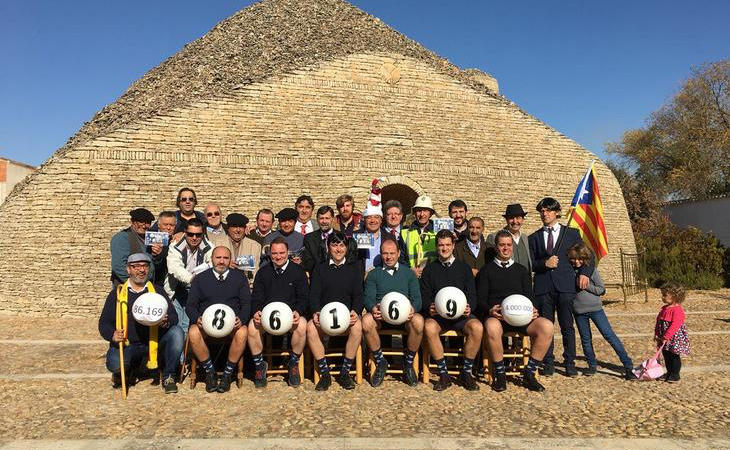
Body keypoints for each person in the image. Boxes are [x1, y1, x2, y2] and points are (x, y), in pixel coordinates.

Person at [477, 230, 553, 392]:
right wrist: (490, 310)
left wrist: (533, 310)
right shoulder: (486, 271)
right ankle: (500, 374)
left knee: (547, 326)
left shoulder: (522, 270)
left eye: (509, 245)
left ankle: (529, 372)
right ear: (496, 247)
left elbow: (530, 296)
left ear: (512, 247)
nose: (506, 248)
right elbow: (480, 300)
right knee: (491, 326)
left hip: (522, 318)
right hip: (499, 318)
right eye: (502, 245)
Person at [99, 253, 184, 394]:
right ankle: (128, 370)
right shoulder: (117, 294)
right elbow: (104, 323)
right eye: (136, 266)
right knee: (115, 364)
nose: (141, 270)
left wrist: (166, 321)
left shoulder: (157, 291)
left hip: (153, 342)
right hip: (128, 344)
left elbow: (174, 317)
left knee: (177, 333)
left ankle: (169, 375)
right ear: (128, 269)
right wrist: (112, 335)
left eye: (145, 266)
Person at [528, 197, 592, 377]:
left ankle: (569, 362)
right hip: (543, 288)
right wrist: (544, 264)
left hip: (565, 287)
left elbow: (588, 256)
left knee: (567, 326)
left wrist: (585, 273)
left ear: (556, 212)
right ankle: (547, 361)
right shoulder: (534, 237)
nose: (544, 214)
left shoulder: (571, 233)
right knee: (546, 327)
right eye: (541, 211)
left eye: (548, 210)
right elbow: (531, 263)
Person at [421, 230, 483, 391]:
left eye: (448, 245)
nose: (444, 248)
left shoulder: (464, 268)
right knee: (428, 327)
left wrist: (470, 306)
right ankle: (444, 373)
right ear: (436, 247)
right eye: (441, 245)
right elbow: (425, 295)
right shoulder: (429, 269)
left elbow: (472, 294)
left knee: (477, 327)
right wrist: (430, 307)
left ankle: (466, 372)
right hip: (439, 317)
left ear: (453, 246)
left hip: (461, 316)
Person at [186, 246, 251, 393]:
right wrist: (197, 318)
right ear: (212, 259)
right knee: (193, 332)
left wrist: (242, 318)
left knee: (243, 332)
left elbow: (247, 303)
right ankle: (210, 373)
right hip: (206, 324)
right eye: (218, 258)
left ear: (230, 260)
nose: (221, 261)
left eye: (225, 258)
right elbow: (190, 305)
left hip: (232, 324)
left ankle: (228, 373)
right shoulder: (200, 278)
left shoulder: (239, 278)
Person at [361, 238, 424, 387]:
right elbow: (368, 298)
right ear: (381, 254)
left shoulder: (409, 274)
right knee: (366, 321)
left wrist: (413, 309)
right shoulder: (373, 274)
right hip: (381, 317)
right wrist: (372, 308)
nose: (388, 257)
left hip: (405, 317)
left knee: (419, 321)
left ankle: (408, 363)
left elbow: (417, 299)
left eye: (392, 253)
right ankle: (380, 361)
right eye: (385, 253)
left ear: (399, 253)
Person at [248, 238, 309, 388]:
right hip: (267, 316)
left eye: (282, 252)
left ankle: (293, 364)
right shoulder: (263, 272)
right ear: (270, 254)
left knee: (302, 325)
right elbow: (256, 296)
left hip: (290, 316)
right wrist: (256, 311)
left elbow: (304, 297)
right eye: (274, 253)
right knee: (251, 327)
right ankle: (259, 366)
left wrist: (298, 312)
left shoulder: (298, 271)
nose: (278, 256)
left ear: (288, 252)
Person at [568, 242, 634, 379]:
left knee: (609, 336)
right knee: (586, 340)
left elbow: (601, 290)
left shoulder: (591, 271)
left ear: (585, 258)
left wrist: (586, 286)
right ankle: (592, 366)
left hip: (595, 309)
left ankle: (628, 365)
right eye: (574, 258)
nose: (577, 261)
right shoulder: (568, 272)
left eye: (580, 258)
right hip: (579, 312)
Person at [307, 232, 364, 390]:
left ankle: (345, 372)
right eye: (334, 245)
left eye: (341, 245)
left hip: (347, 317)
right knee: (310, 328)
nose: (338, 249)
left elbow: (359, 295)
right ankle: (325, 374)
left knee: (358, 327)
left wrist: (356, 311)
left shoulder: (354, 269)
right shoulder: (319, 269)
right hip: (324, 317)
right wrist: (316, 311)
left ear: (346, 248)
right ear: (328, 247)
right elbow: (314, 294)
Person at [165, 219, 213, 334]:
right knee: (175, 325)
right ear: (185, 233)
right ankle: (178, 352)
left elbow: (213, 263)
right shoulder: (175, 245)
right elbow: (174, 268)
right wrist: (192, 279)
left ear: (203, 234)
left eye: (198, 234)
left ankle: (184, 352)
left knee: (187, 326)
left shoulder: (209, 246)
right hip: (177, 289)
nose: (194, 237)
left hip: (196, 291)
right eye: (191, 234)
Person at [301, 206, 357, 273]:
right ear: (317, 220)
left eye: (327, 218)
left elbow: (348, 258)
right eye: (321, 218)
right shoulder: (309, 238)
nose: (324, 221)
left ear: (332, 219)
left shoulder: (342, 236)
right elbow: (307, 261)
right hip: (317, 276)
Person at [110, 208, 156, 286]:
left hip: (146, 285)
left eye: (148, 222)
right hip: (128, 287)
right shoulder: (122, 238)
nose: (144, 226)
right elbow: (118, 266)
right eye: (141, 222)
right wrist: (134, 284)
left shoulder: (150, 238)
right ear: (133, 222)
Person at [655, 281, 690, 383]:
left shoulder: (677, 310)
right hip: (663, 337)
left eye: (665, 295)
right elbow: (659, 321)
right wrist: (657, 333)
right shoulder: (664, 308)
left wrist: (667, 336)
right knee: (666, 354)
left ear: (674, 296)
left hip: (673, 338)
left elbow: (675, 325)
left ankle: (675, 374)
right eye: (662, 295)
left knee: (674, 355)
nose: (662, 297)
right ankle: (669, 372)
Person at [209, 213, 261, 281]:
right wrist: (225, 264)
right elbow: (210, 266)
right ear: (228, 228)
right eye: (235, 227)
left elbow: (255, 272)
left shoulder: (255, 246)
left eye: (241, 227)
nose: (238, 230)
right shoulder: (216, 243)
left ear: (245, 228)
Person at [487, 204, 532, 272]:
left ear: (523, 219)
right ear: (506, 220)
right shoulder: (493, 237)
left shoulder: (525, 238)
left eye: (518, 217)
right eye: (511, 218)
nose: (515, 221)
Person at [401, 195, 437, 277]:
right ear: (414, 212)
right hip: (411, 277)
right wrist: (409, 269)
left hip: (433, 276)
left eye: (425, 211)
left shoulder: (438, 232)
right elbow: (400, 258)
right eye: (419, 210)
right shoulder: (405, 232)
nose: (422, 214)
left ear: (431, 213)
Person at [151, 211, 178, 285]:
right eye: (165, 225)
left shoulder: (178, 238)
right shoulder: (150, 238)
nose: (168, 228)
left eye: (172, 225)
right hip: (155, 281)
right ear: (158, 225)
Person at [357, 203, 384, 273]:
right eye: (369, 217)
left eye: (376, 217)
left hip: (383, 278)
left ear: (381, 220)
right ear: (364, 220)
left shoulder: (389, 237)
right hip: (362, 278)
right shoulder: (358, 236)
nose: (373, 220)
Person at [381, 199, 409, 266]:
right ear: (385, 216)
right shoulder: (379, 233)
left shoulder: (409, 232)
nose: (393, 217)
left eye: (396, 214)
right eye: (389, 214)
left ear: (401, 216)